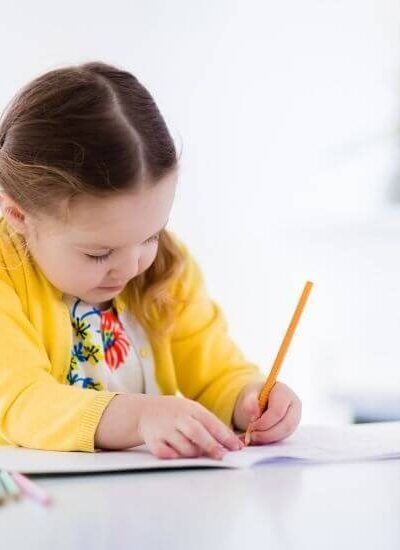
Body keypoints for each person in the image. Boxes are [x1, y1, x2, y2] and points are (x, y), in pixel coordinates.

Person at [0, 62, 301, 460]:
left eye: (149, 237)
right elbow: (20, 403)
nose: (130, 268)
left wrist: (248, 399)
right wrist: (140, 416)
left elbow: (214, 372)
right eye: (98, 253)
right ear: (18, 215)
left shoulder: (166, 269)